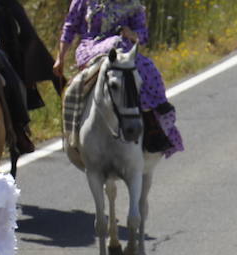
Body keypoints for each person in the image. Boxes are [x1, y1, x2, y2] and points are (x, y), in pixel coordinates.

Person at [53, 0, 183, 156]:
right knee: (115, 44)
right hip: (91, 47)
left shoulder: (131, 3)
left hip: (124, 50)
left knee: (148, 68)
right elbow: (70, 27)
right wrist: (60, 57)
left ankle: (153, 121)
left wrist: (132, 34)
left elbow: (143, 34)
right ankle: (75, 133)